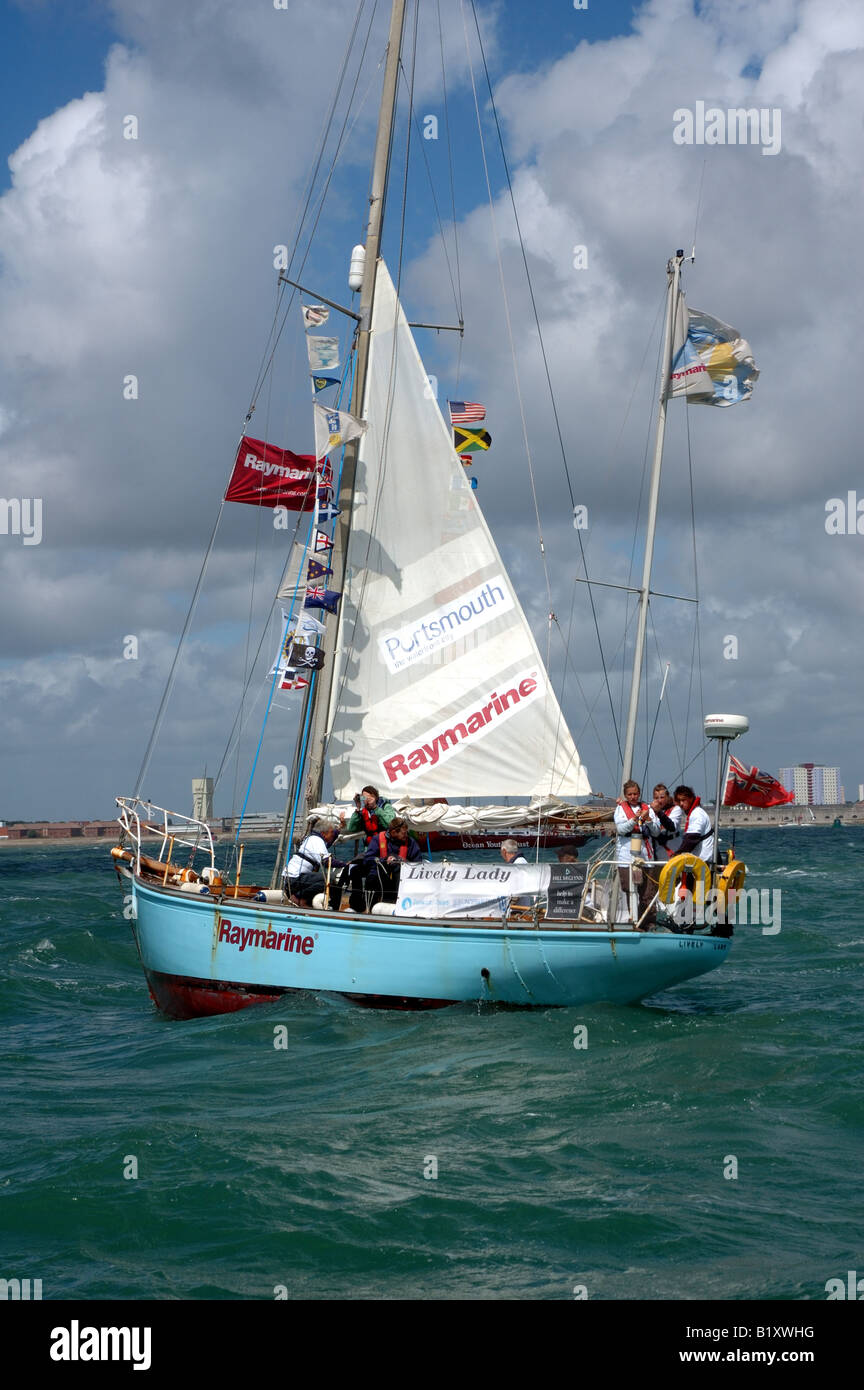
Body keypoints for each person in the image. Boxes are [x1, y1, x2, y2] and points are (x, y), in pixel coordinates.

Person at [350, 817, 422, 911]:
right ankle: (363, 907)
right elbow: (368, 859)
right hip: (379, 875)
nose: (406, 835)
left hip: (400, 877)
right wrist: (383, 860)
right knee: (357, 871)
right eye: (403, 833)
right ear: (393, 832)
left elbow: (418, 863)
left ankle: (401, 908)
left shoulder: (411, 843)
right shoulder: (378, 839)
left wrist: (400, 861)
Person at [613, 780, 661, 921]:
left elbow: (657, 832)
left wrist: (649, 820)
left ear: (639, 793)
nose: (633, 797)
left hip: (646, 856)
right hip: (626, 857)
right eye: (630, 794)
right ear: (626, 795)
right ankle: (634, 920)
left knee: (648, 892)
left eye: (635, 794)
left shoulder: (648, 809)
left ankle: (649, 922)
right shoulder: (620, 809)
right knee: (630, 890)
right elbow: (621, 829)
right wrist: (634, 820)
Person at [283, 820, 340, 905]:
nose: (332, 835)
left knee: (324, 880)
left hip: (291, 878)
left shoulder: (312, 839)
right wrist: (345, 865)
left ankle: (304, 900)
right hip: (294, 879)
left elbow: (328, 843)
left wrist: (338, 831)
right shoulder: (317, 840)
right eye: (331, 832)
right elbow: (326, 861)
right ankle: (297, 897)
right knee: (329, 880)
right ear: (323, 833)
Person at [673, 786, 714, 862]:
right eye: (679, 801)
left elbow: (692, 838)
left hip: (704, 863)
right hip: (699, 862)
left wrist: (677, 855)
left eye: (683, 800)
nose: (681, 804)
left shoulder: (697, 814)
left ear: (691, 798)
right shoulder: (695, 812)